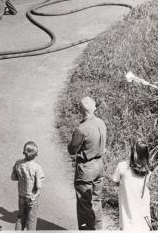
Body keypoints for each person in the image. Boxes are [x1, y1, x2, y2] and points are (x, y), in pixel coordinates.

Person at [67, 96, 107, 230]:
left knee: (84, 205)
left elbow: (72, 150)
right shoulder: (101, 122)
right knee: (96, 200)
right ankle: (98, 228)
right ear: (93, 108)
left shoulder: (82, 129)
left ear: (80, 109)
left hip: (86, 168)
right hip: (99, 165)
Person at [112, 140, 151, 231]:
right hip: (142, 210)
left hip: (127, 208)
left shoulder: (122, 166)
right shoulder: (148, 169)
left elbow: (114, 181)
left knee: (128, 225)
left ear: (133, 152)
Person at [11, 141, 45, 230]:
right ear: (36, 154)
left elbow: (13, 177)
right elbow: (38, 185)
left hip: (21, 195)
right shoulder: (37, 167)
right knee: (32, 220)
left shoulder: (18, 163)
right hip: (32, 197)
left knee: (20, 217)